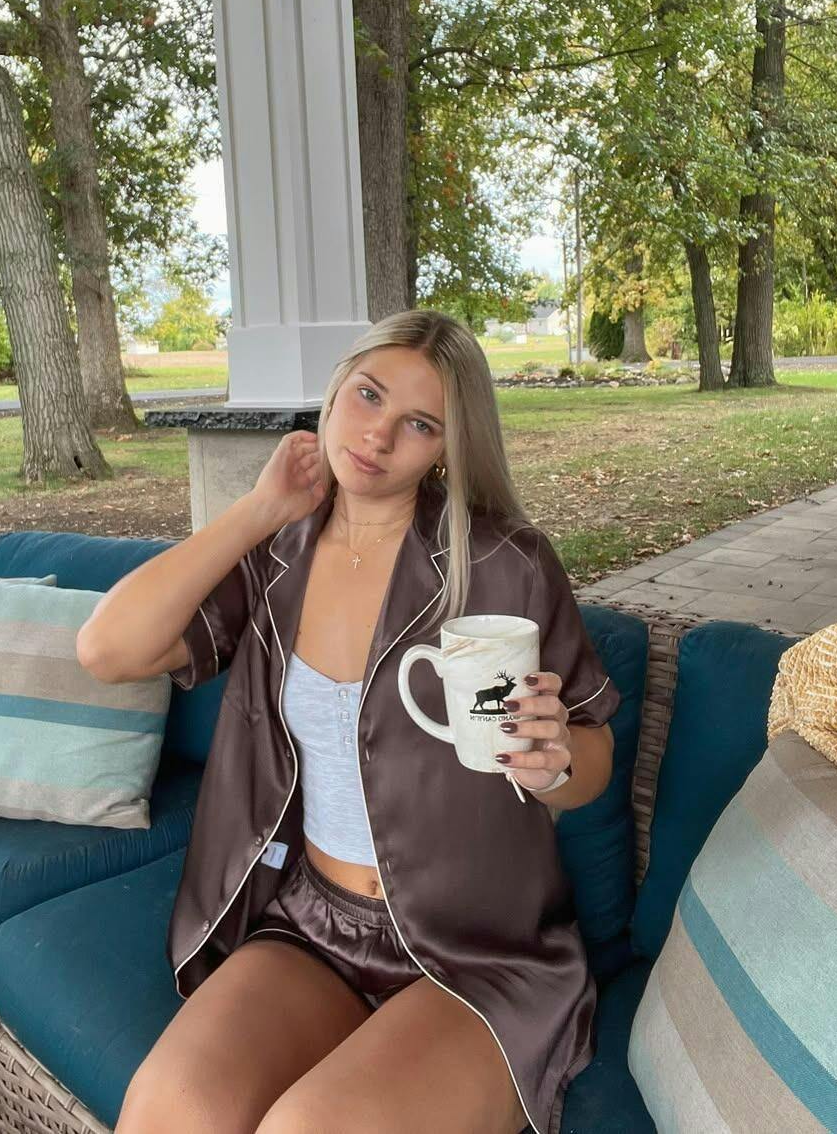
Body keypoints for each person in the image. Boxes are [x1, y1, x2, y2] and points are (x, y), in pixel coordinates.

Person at [77, 309, 618, 1134]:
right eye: (368, 395)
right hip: (313, 922)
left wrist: (555, 765)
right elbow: (107, 648)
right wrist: (258, 509)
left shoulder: (504, 563)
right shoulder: (277, 553)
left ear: (447, 447)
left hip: (475, 948)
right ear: (334, 392)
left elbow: (593, 753)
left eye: (419, 423)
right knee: (166, 1108)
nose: (378, 436)